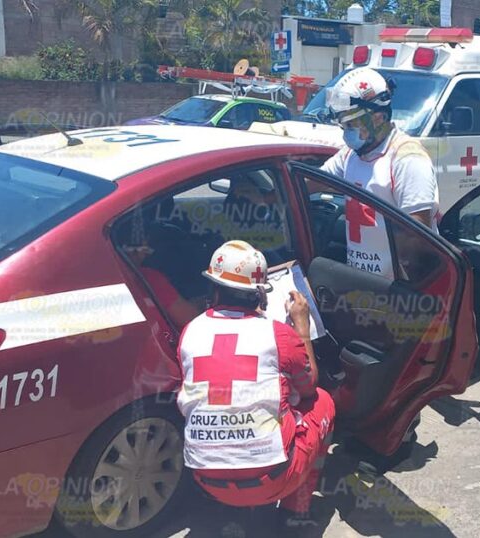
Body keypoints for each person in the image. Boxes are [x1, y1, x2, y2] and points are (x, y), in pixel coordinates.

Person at [176, 240, 335, 526]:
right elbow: (309, 385)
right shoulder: (278, 335)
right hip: (272, 481)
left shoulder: (190, 331)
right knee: (323, 401)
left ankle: (228, 507)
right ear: (261, 295)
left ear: (213, 289)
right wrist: (301, 325)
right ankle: (294, 513)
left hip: (204, 479)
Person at [320, 67, 440, 280]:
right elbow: (314, 181)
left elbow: (417, 236)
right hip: (362, 283)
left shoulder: (407, 157)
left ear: (377, 118)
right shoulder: (352, 155)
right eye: (343, 124)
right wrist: (268, 196)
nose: (346, 131)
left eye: (351, 123)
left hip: (395, 290)